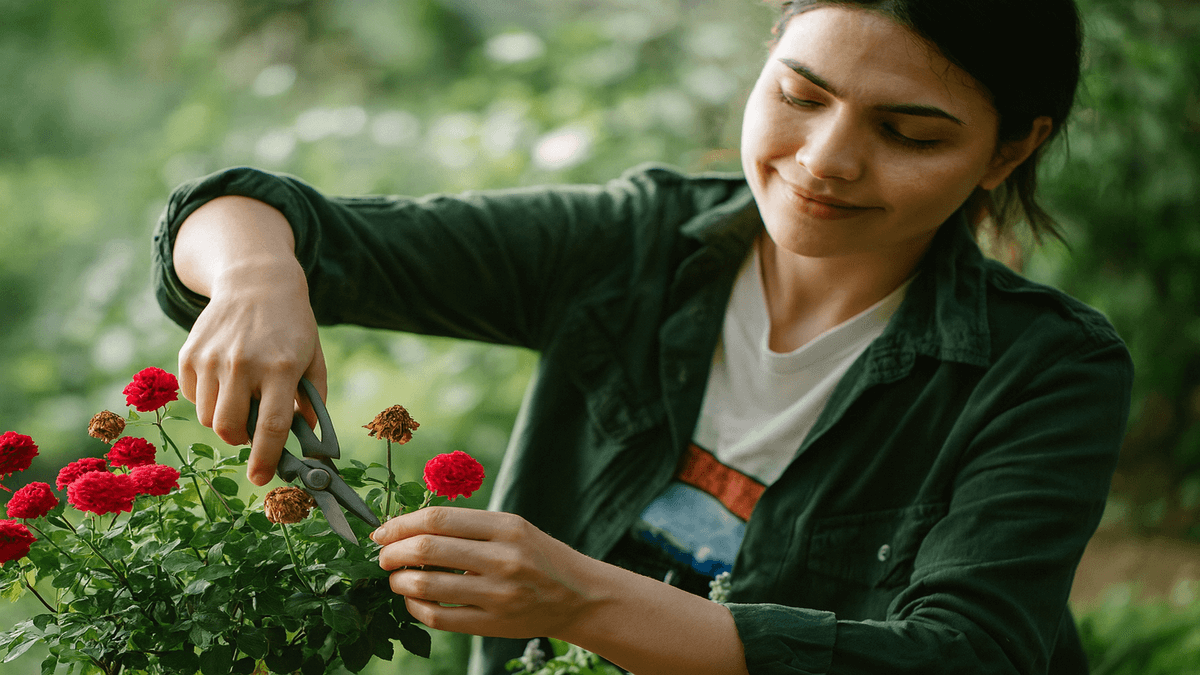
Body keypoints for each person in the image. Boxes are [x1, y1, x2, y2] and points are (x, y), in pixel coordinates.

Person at [152, 0, 1133, 673]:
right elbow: (248, 211)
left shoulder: (1043, 369)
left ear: (1011, 149)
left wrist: (580, 601)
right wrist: (255, 278)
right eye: (800, 96)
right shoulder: (634, 245)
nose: (825, 161)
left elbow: (967, 658)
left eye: (909, 134)